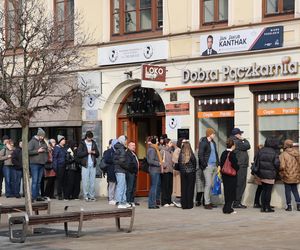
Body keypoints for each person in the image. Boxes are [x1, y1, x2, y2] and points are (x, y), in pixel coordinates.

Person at [256, 137, 280, 213]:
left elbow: (257, 161)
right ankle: (267, 207)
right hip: (270, 174)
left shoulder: (261, 151)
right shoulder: (274, 152)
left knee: (264, 190)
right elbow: (277, 164)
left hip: (262, 174)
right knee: (268, 191)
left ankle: (263, 207)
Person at [198, 128, 219, 209]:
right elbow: (200, 155)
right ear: (209, 134)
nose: (214, 135)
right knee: (208, 184)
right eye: (213, 134)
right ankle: (206, 203)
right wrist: (205, 164)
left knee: (212, 185)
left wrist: (218, 163)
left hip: (214, 166)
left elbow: (216, 154)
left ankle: (209, 202)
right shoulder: (203, 143)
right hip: (208, 166)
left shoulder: (213, 143)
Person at [230, 128, 251, 209]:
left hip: (238, 165)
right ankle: (237, 202)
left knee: (237, 184)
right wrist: (244, 139)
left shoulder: (232, 141)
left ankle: (235, 201)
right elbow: (248, 146)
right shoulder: (237, 142)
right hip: (241, 165)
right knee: (240, 184)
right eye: (240, 134)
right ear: (237, 135)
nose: (241, 135)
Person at [77, 131, 100, 202]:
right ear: (86, 137)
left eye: (91, 138)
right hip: (85, 165)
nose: (90, 139)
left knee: (92, 181)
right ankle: (85, 196)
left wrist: (94, 152)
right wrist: (87, 152)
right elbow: (79, 154)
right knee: (85, 181)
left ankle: (92, 196)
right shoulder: (82, 143)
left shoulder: (93, 143)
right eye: (88, 138)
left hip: (92, 164)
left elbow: (98, 154)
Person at [279, 139, 300, 211]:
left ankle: (289, 206)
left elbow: (282, 166)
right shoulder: (297, 153)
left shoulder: (283, 154)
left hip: (287, 175)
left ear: (285, 145)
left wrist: (280, 173)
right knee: (295, 191)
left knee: (287, 191)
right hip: (296, 175)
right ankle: (299, 205)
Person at [28, 128, 48, 201]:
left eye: (43, 136)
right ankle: (33, 197)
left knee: (39, 181)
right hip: (34, 164)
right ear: (39, 135)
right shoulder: (32, 141)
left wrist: (46, 150)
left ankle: (37, 196)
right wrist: (37, 151)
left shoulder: (43, 142)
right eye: (42, 136)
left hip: (42, 163)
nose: (43, 138)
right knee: (35, 181)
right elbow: (28, 151)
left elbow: (46, 148)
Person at [220, 139, 239, 214]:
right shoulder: (232, 154)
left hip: (224, 175)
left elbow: (221, 163)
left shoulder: (223, 153)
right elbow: (235, 165)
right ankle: (228, 208)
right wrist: (237, 168)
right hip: (231, 175)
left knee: (226, 191)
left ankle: (226, 207)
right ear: (233, 145)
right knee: (231, 192)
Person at [178, 140, 196, 209]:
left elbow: (179, 163)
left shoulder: (181, 154)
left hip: (183, 173)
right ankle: (189, 204)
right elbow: (194, 163)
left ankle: (184, 205)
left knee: (183, 188)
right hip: (191, 173)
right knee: (190, 189)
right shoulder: (191, 154)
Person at [113, 135, 130, 209]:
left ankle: (123, 201)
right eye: (126, 140)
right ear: (123, 140)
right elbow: (122, 161)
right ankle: (119, 202)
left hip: (119, 169)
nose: (126, 142)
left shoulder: (119, 148)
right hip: (120, 170)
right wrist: (127, 166)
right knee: (121, 186)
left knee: (124, 186)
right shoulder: (121, 149)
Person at [147, 137, 162, 209]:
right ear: (155, 142)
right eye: (157, 141)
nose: (158, 142)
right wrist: (159, 163)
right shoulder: (152, 149)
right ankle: (151, 204)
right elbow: (150, 161)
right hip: (154, 170)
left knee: (155, 187)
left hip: (156, 170)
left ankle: (153, 203)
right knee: (154, 187)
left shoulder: (155, 148)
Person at [52, 135, 67, 200]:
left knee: (64, 181)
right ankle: (59, 194)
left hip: (64, 166)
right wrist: (55, 167)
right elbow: (55, 158)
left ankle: (64, 194)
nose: (64, 140)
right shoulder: (57, 148)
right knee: (60, 181)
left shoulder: (64, 147)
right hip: (59, 166)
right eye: (63, 139)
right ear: (60, 141)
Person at [160, 138, 174, 207]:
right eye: (170, 143)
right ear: (166, 144)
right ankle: (164, 201)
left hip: (171, 170)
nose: (172, 144)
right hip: (165, 171)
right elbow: (160, 160)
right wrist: (165, 165)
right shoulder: (163, 151)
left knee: (170, 187)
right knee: (165, 187)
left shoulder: (171, 151)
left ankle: (169, 200)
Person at [104, 139, 118, 205]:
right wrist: (115, 160)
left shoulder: (118, 151)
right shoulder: (108, 151)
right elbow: (106, 160)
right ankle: (111, 198)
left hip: (117, 170)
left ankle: (115, 198)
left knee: (117, 185)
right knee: (112, 185)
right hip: (111, 170)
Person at [126, 141, 139, 207]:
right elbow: (129, 164)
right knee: (130, 187)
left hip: (134, 173)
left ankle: (131, 200)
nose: (134, 147)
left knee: (133, 187)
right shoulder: (128, 153)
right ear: (128, 146)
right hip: (130, 173)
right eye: (132, 145)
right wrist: (134, 170)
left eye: (134, 145)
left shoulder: (134, 153)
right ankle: (128, 201)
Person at [172, 138, 183, 208]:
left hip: (180, 170)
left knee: (180, 186)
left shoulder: (180, 150)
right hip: (178, 170)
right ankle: (177, 201)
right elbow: (174, 159)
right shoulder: (177, 150)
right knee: (178, 186)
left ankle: (179, 200)